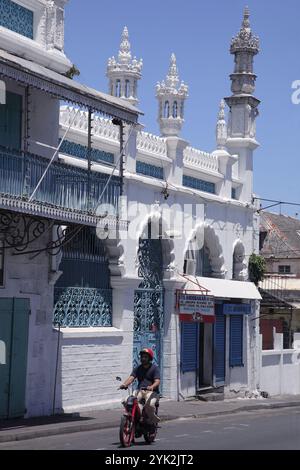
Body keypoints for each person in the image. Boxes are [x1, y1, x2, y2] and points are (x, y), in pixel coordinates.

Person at [120, 348, 160, 425]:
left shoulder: (155, 368)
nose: (143, 359)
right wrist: (125, 384)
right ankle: (136, 416)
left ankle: (152, 421)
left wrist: (152, 386)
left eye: (145, 357)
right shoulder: (138, 368)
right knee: (126, 401)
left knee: (150, 404)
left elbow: (157, 381)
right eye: (142, 357)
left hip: (152, 392)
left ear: (150, 358)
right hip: (140, 391)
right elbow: (131, 378)